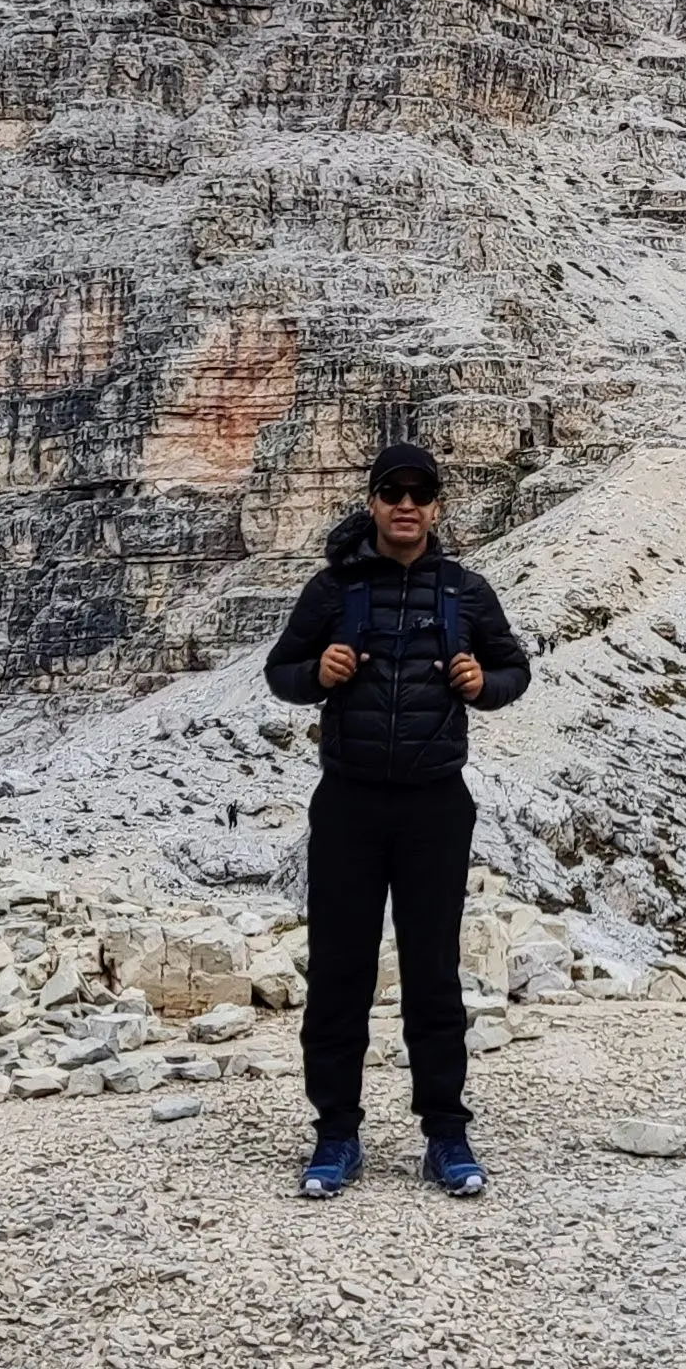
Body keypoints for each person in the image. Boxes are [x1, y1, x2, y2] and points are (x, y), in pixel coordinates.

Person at [262, 440, 531, 1198]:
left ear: (438, 507)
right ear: (373, 503)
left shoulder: (466, 593)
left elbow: (515, 669)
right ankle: (336, 1136)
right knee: (340, 973)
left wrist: (486, 684)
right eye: (392, 492)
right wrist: (318, 674)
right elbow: (282, 672)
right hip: (348, 803)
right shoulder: (333, 590)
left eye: (420, 493)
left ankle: (445, 1134)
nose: (406, 505)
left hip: (435, 806)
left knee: (432, 974)